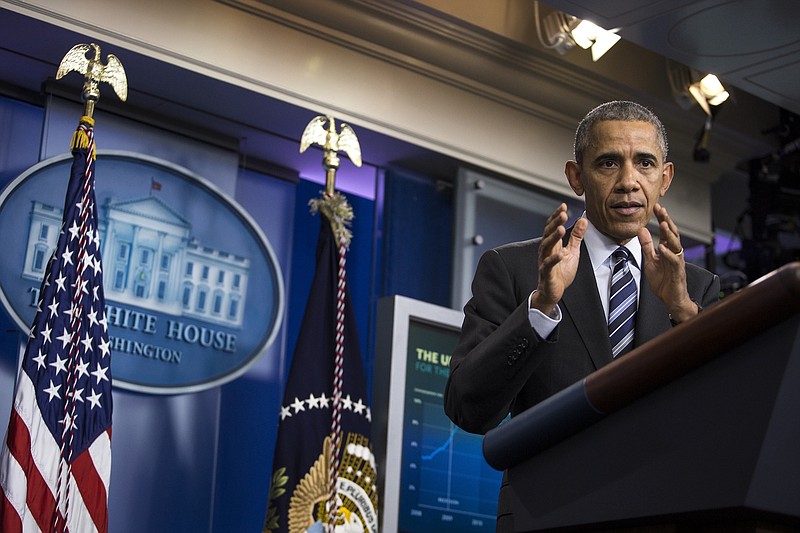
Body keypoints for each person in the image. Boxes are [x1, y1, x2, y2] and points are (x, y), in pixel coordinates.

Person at [443, 100, 720, 531]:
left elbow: (723, 422)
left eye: (644, 163)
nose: (629, 182)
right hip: (546, 516)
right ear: (577, 177)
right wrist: (540, 308)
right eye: (609, 163)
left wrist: (684, 314)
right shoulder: (516, 269)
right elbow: (467, 408)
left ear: (664, 178)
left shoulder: (696, 289)